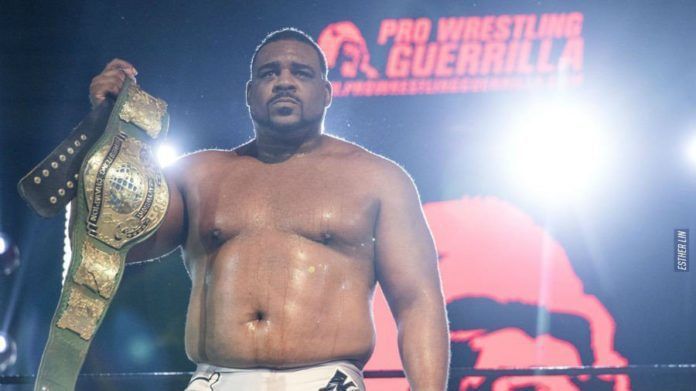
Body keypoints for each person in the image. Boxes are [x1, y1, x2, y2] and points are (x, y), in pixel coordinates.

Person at [88, 28, 449, 390]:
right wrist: (104, 130)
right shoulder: (197, 175)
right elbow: (114, 244)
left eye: (301, 73)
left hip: (326, 379)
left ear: (326, 94)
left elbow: (417, 302)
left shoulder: (379, 179)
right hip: (217, 379)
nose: (284, 82)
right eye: (269, 73)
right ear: (250, 94)